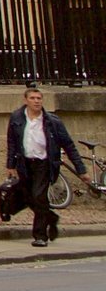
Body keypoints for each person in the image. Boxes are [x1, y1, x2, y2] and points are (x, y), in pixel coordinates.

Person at [6, 85, 85, 247]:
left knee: (38, 195)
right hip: (25, 163)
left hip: (44, 163)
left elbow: (69, 145)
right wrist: (10, 165)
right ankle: (51, 217)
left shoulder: (52, 121)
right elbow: (12, 143)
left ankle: (40, 236)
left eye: (39, 98)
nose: (36, 101)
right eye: (33, 98)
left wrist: (81, 169)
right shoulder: (17, 118)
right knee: (29, 197)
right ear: (26, 100)